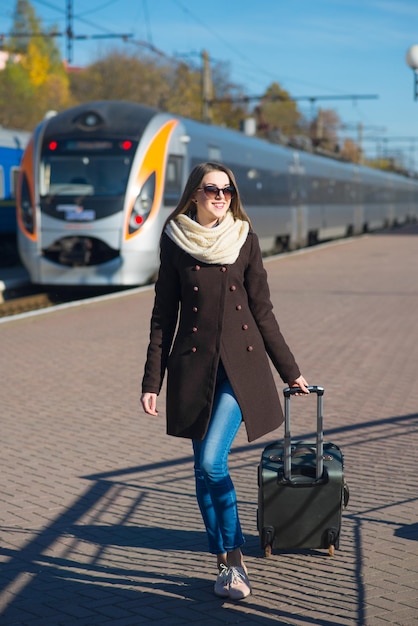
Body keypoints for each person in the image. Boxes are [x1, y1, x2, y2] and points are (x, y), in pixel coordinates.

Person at [141, 162, 309, 600]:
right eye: (211, 189)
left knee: (212, 462)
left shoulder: (244, 239)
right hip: (194, 371)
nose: (220, 196)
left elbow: (263, 311)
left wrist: (291, 372)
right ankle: (222, 564)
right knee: (201, 471)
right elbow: (164, 316)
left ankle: (235, 558)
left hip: (241, 369)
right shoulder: (175, 240)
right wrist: (151, 380)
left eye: (227, 190)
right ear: (194, 194)